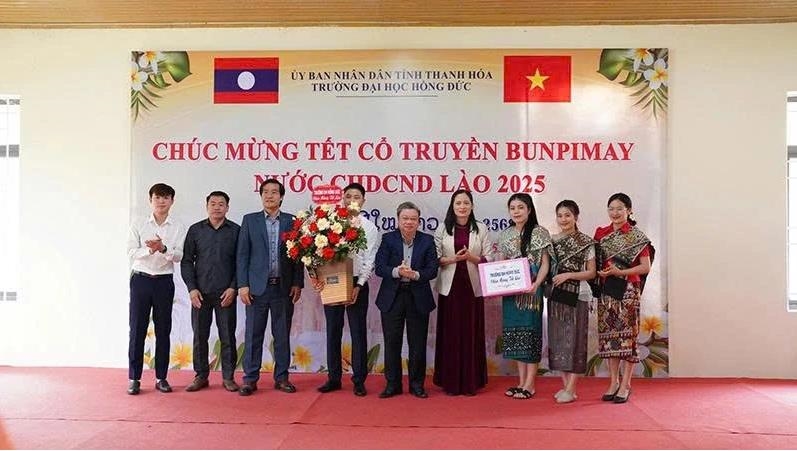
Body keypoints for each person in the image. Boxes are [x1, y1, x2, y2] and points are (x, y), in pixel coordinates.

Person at [236, 179, 304, 396]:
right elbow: (242, 255)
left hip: (283, 288)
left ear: (281, 197)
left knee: (282, 335)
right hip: (256, 289)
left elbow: (298, 256)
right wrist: (243, 285)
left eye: (274, 192)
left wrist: (297, 282)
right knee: (253, 335)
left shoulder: (292, 222)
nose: (269, 196)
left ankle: (282, 378)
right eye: (265, 192)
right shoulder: (250, 220)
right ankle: (250, 379)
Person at [315, 183, 381, 397]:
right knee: (333, 330)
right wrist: (316, 276)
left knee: (358, 331)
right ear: (342, 199)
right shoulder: (329, 222)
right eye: (348, 196)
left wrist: (359, 285)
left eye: (357, 197)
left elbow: (369, 260)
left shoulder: (369, 227)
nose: (352, 200)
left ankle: (359, 380)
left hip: (357, 282)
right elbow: (317, 253)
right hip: (333, 278)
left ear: (363, 201)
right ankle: (333, 378)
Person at [432, 190, 494, 396]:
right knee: (450, 335)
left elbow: (489, 259)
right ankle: (450, 382)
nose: (462, 206)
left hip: (472, 289)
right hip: (449, 289)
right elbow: (435, 258)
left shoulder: (481, 228)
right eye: (458, 203)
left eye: (466, 203)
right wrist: (454, 259)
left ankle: (470, 382)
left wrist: (470, 257)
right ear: (452, 206)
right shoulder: (443, 228)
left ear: (472, 206)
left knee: (470, 334)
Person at [374, 202, 439, 399]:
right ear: (398, 220)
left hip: (417, 296)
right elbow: (380, 267)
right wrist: (397, 271)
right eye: (405, 218)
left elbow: (432, 269)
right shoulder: (388, 239)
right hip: (392, 297)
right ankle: (392, 384)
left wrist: (415, 275)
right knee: (391, 342)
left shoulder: (427, 240)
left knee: (417, 343)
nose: (409, 222)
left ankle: (417, 384)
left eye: (413, 219)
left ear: (419, 221)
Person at [126, 183, 185, 395]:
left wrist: (163, 248)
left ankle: (161, 378)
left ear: (172, 201)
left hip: (163, 281)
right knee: (137, 329)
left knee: (163, 330)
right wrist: (149, 250)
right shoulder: (139, 223)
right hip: (141, 280)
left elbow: (179, 255)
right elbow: (130, 251)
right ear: (150, 200)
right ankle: (134, 378)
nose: (161, 201)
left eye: (166, 197)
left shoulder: (178, 226)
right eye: (157, 197)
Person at [594, 192, 652, 404]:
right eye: (611, 209)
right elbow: (595, 261)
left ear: (629, 210)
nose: (615, 213)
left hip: (628, 291)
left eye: (619, 209)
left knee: (628, 338)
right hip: (607, 291)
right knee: (610, 338)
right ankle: (613, 382)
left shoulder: (637, 237)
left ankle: (626, 384)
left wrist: (620, 272)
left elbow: (645, 267)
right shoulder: (601, 233)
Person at [181, 191, 241, 393]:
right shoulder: (195, 230)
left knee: (228, 336)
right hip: (200, 294)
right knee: (200, 336)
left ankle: (228, 377)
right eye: (213, 203)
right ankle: (201, 376)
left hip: (226, 294)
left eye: (221, 204)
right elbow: (186, 261)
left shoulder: (236, 231)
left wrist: (233, 287)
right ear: (206, 206)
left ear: (227, 208)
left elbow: (241, 262)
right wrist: (192, 289)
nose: (217, 207)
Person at [497, 193, 551, 400]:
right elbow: (501, 263)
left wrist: (537, 284)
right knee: (515, 334)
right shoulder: (505, 235)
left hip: (531, 291)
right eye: (512, 208)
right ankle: (521, 382)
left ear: (529, 210)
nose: (516, 212)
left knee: (530, 333)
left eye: (521, 207)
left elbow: (545, 263)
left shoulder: (540, 232)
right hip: (511, 292)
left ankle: (530, 384)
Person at [547, 200, 596, 403]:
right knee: (559, 340)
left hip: (578, 295)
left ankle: (571, 387)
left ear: (576, 217)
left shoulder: (586, 242)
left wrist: (568, 275)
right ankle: (566, 387)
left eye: (567, 215)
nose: (563, 219)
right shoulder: (551, 241)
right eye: (560, 215)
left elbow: (591, 272)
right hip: (557, 294)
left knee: (576, 341)